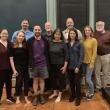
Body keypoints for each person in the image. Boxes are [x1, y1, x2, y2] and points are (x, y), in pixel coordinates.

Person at [27, 25, 49, 106]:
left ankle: (42, 96)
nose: (37, 31)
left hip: (43, 64)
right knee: (35, 81)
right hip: (33, 65)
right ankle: (36, 96)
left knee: (42, 81)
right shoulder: (29, 41)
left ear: (41, 31)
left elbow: (47, 53)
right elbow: (28, 54)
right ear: (33, 31)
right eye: (35, 29)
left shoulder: (45, 40)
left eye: (38, 30)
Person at [9, 31, 30, 104]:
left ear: (24, 37)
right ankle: (17, 97)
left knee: (27, 82)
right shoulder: (13, 46)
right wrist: (14, 70)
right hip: (18, 67)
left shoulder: (26, 45)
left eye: (22, 36)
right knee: (18, 82)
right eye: (19, 36)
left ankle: (26, 97)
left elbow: (29, 57)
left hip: (26, 67)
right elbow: (11, 59)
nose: (21, 37)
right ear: (16, 36)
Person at [48, 29, 68, 103]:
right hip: (52, 65)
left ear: (61, 36)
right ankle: (55, 93)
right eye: (56, 34)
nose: (57, 36)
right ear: (53, 35)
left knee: (61, 80)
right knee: (53, 80)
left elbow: (67, 55)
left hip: (61, 65)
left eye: (59, 34)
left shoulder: (63, 43)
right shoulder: (50, 42)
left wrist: (65, 66)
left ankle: (59, 95)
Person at [67, 28, 83, 106]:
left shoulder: (79, 43)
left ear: (76, 34)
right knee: (71, 83)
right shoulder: (67, 43)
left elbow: (81, 56)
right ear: (69, 35)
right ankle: (73, 95)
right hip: (69, 67)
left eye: (73, 33)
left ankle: (78, 97)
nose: (72, 35)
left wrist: (78, 67)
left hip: (77, 67)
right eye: (71, 33)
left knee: (77, 83)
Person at [0, 29, 15, 104]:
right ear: (0, 34)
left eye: (6, 34)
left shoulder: (10, 43)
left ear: (8, 35)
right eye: (3, 33)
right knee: (0, 84)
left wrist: (14, 69)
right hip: (0, 68)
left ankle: (9, 97)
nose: (4, 35)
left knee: (9, 83)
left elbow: (11, 57)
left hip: (9, 68)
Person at [82, 26, 97, 100]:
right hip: (83, 63)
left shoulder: (94, 40)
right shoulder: (82, 40)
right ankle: (87, 93)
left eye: (88, 30)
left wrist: (92, 62)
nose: (87, 31)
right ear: (84, 32)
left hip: (89, 63)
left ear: (91, 31)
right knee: (85, 79)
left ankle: (91, 93)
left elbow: (94, 52)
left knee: (88, 79)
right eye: (86, 30)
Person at [94, 21, 110, 91]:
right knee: (96, 72)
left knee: (105, 73)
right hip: (97, 56)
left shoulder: (108, 33)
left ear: (104, 25)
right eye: (98, 25)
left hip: (106, 56)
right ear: (96, 26)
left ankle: (104, 88)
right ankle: (98, 87)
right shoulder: (94, 34)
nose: (99, 26)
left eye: (101, 25)